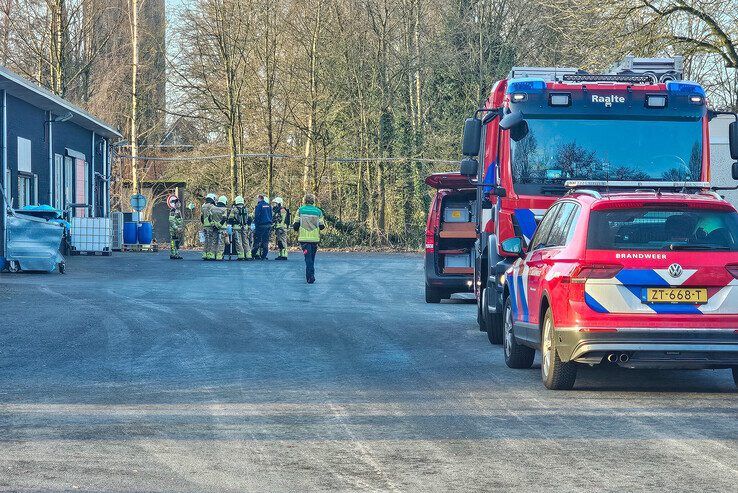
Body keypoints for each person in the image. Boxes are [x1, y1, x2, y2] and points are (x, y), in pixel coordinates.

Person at [293, 193, 325, 284]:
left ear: (304, 201)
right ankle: (311, 275)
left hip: (304, 239)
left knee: (307, 258)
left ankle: (310, 276)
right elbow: (322, 226)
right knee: (312, 258)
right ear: (313, 201)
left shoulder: (300, 210)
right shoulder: (318, 211)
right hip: (315, 238)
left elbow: (296, 225)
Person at [228, 195, 253, 260]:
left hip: (237, 228)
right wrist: (248, 225)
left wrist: (231, 225)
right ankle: (248, 255)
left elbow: (230, 219)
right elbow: (250, 218)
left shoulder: (234, 210)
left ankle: (241, 255)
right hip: (245, 227)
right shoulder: (246, 209)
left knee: (238, 241)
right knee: (246, 241)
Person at [251, 193, 272, 260]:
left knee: (257, 240)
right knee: (265, 241)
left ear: (260, 198)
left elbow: (257, 216)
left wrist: (256, 225)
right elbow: (271, 215)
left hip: (260, 225)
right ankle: (264, 255)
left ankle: (253, 254)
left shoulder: (259, 206)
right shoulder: (268, 205)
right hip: (268, 225)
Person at [209, 195, 229, 261]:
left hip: (214, 228)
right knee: (221, 242)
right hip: (222, 228)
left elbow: (209, 218)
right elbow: (224, 218)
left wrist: (214, 225)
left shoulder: (212, 208)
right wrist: (219, 225)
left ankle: (212, 255)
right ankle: (219, 256)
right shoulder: (224, 209)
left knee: (214, 241)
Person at [200, 193, 217, 260]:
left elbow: (201, 217)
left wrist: (204, 223)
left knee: (206, 240)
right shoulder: (212, 206)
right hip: (210, 225)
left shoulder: (203, 206)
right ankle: (210, 254)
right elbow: (213, 216)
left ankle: (205, 254)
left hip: (205, 225)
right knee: (211, 240)